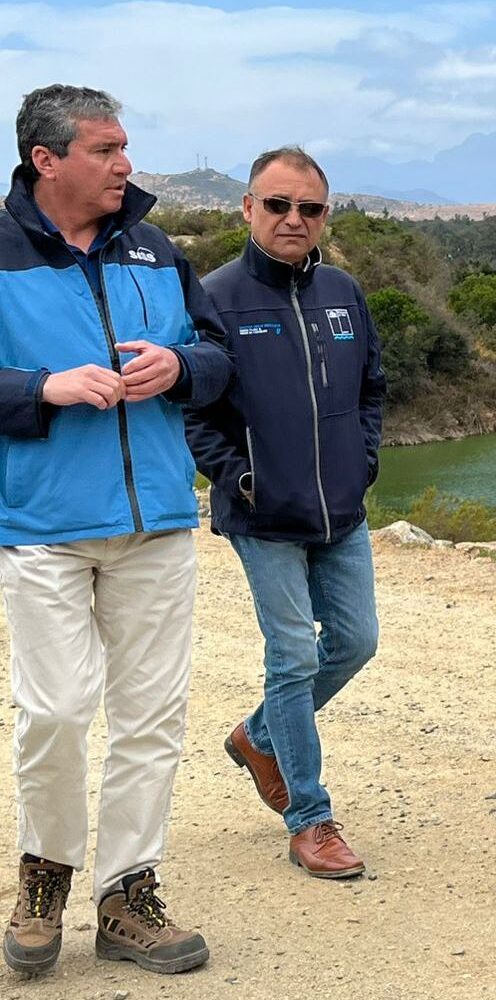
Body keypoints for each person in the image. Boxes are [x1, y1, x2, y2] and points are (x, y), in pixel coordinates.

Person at [0, 84, 232, 975]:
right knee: (56, 712)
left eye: (124, 146)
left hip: (157, 523)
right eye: (105, 150)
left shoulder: (155, 249)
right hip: (42, 526)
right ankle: (44, 878)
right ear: (45, 159)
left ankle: (128, 895)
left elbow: (219, 356)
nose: (125, 165)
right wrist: (41, 388)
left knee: (151, 718)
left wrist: (181, 365)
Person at [185, 147, 387, 876]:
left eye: (310, 208)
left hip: (342, 510)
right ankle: (310, 819)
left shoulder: (342, 291)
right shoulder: (215, 297)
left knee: (356, 642)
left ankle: (258, 736)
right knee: (294, 655)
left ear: (325, 215)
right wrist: (241, 479)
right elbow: (192, 411)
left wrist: (364, 460)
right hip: (263, 516)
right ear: (249, 209)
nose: (294, 219)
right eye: (277, 204)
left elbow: (371, 387)